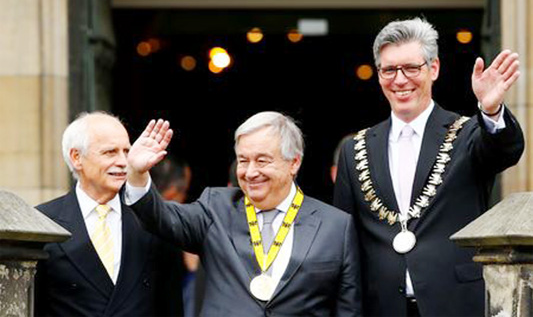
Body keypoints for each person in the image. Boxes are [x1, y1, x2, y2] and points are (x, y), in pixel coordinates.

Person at [333, 18, 524, 317]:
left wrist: (490, 110)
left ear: (433, 69)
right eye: (389, 70)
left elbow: (505, 151)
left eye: (411, 68)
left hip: (455, 304)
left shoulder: (467, 135)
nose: (400, 80)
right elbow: (344, 244)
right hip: (379, 306)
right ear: (379, 74)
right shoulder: (354, 150)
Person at [125, 111, 362, 316]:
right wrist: (136, 174)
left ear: (294, 163)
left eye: (262, 161)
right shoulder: (215, 208)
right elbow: (159, 217)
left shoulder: (335, 226)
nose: (250, 172)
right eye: (243, 161)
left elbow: (348, 309)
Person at [34, 112, 183, 317]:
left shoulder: (152, 219)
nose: (123, 161)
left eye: (126, 151)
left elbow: (171, 303)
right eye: (110, 152)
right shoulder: (43, 222)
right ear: (77, 157)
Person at [151, 157, 201, 317]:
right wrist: (195, 271)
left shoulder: (122, 219)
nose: (185, 199)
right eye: (185, 191)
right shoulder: (171, 235)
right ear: (172, 193)